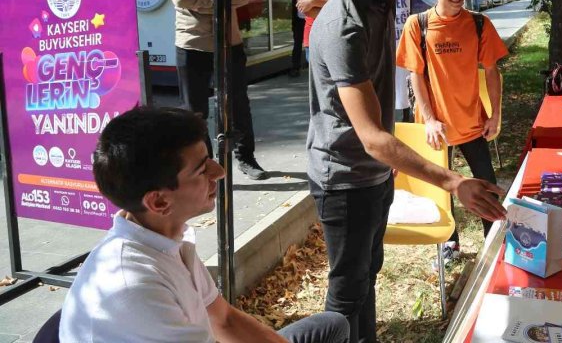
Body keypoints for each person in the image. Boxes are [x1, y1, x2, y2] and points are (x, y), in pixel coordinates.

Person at [307, 0, 506, 343]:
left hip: (375, 175)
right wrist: (455, 183)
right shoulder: (343, 23)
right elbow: (374, 138)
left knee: (366, 279)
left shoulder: (380, 3)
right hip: (344, 177)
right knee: (345, 298)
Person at [59, 107, 349, 343]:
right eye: (202, 169)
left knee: (333, 325)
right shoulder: (134, 286)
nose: (219, 172)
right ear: (159, 203)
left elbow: (223, 318)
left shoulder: (164, 239)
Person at [396, 0, 508, 266]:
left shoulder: (479, 23)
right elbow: (415, 75)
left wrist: (495, 114)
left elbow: (491, 71)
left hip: (472, 123)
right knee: (440, 191)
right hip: (435, 129)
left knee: (486, 184)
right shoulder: (417, 25)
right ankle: (450, 245)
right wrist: (429, 119)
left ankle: (494, 240)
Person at [166, 0, 268, 180]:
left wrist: (199, 1)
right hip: (191, 45)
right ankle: (205, 167)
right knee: (194, 112)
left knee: (238, 105)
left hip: (228, 43)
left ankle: (246, 159)